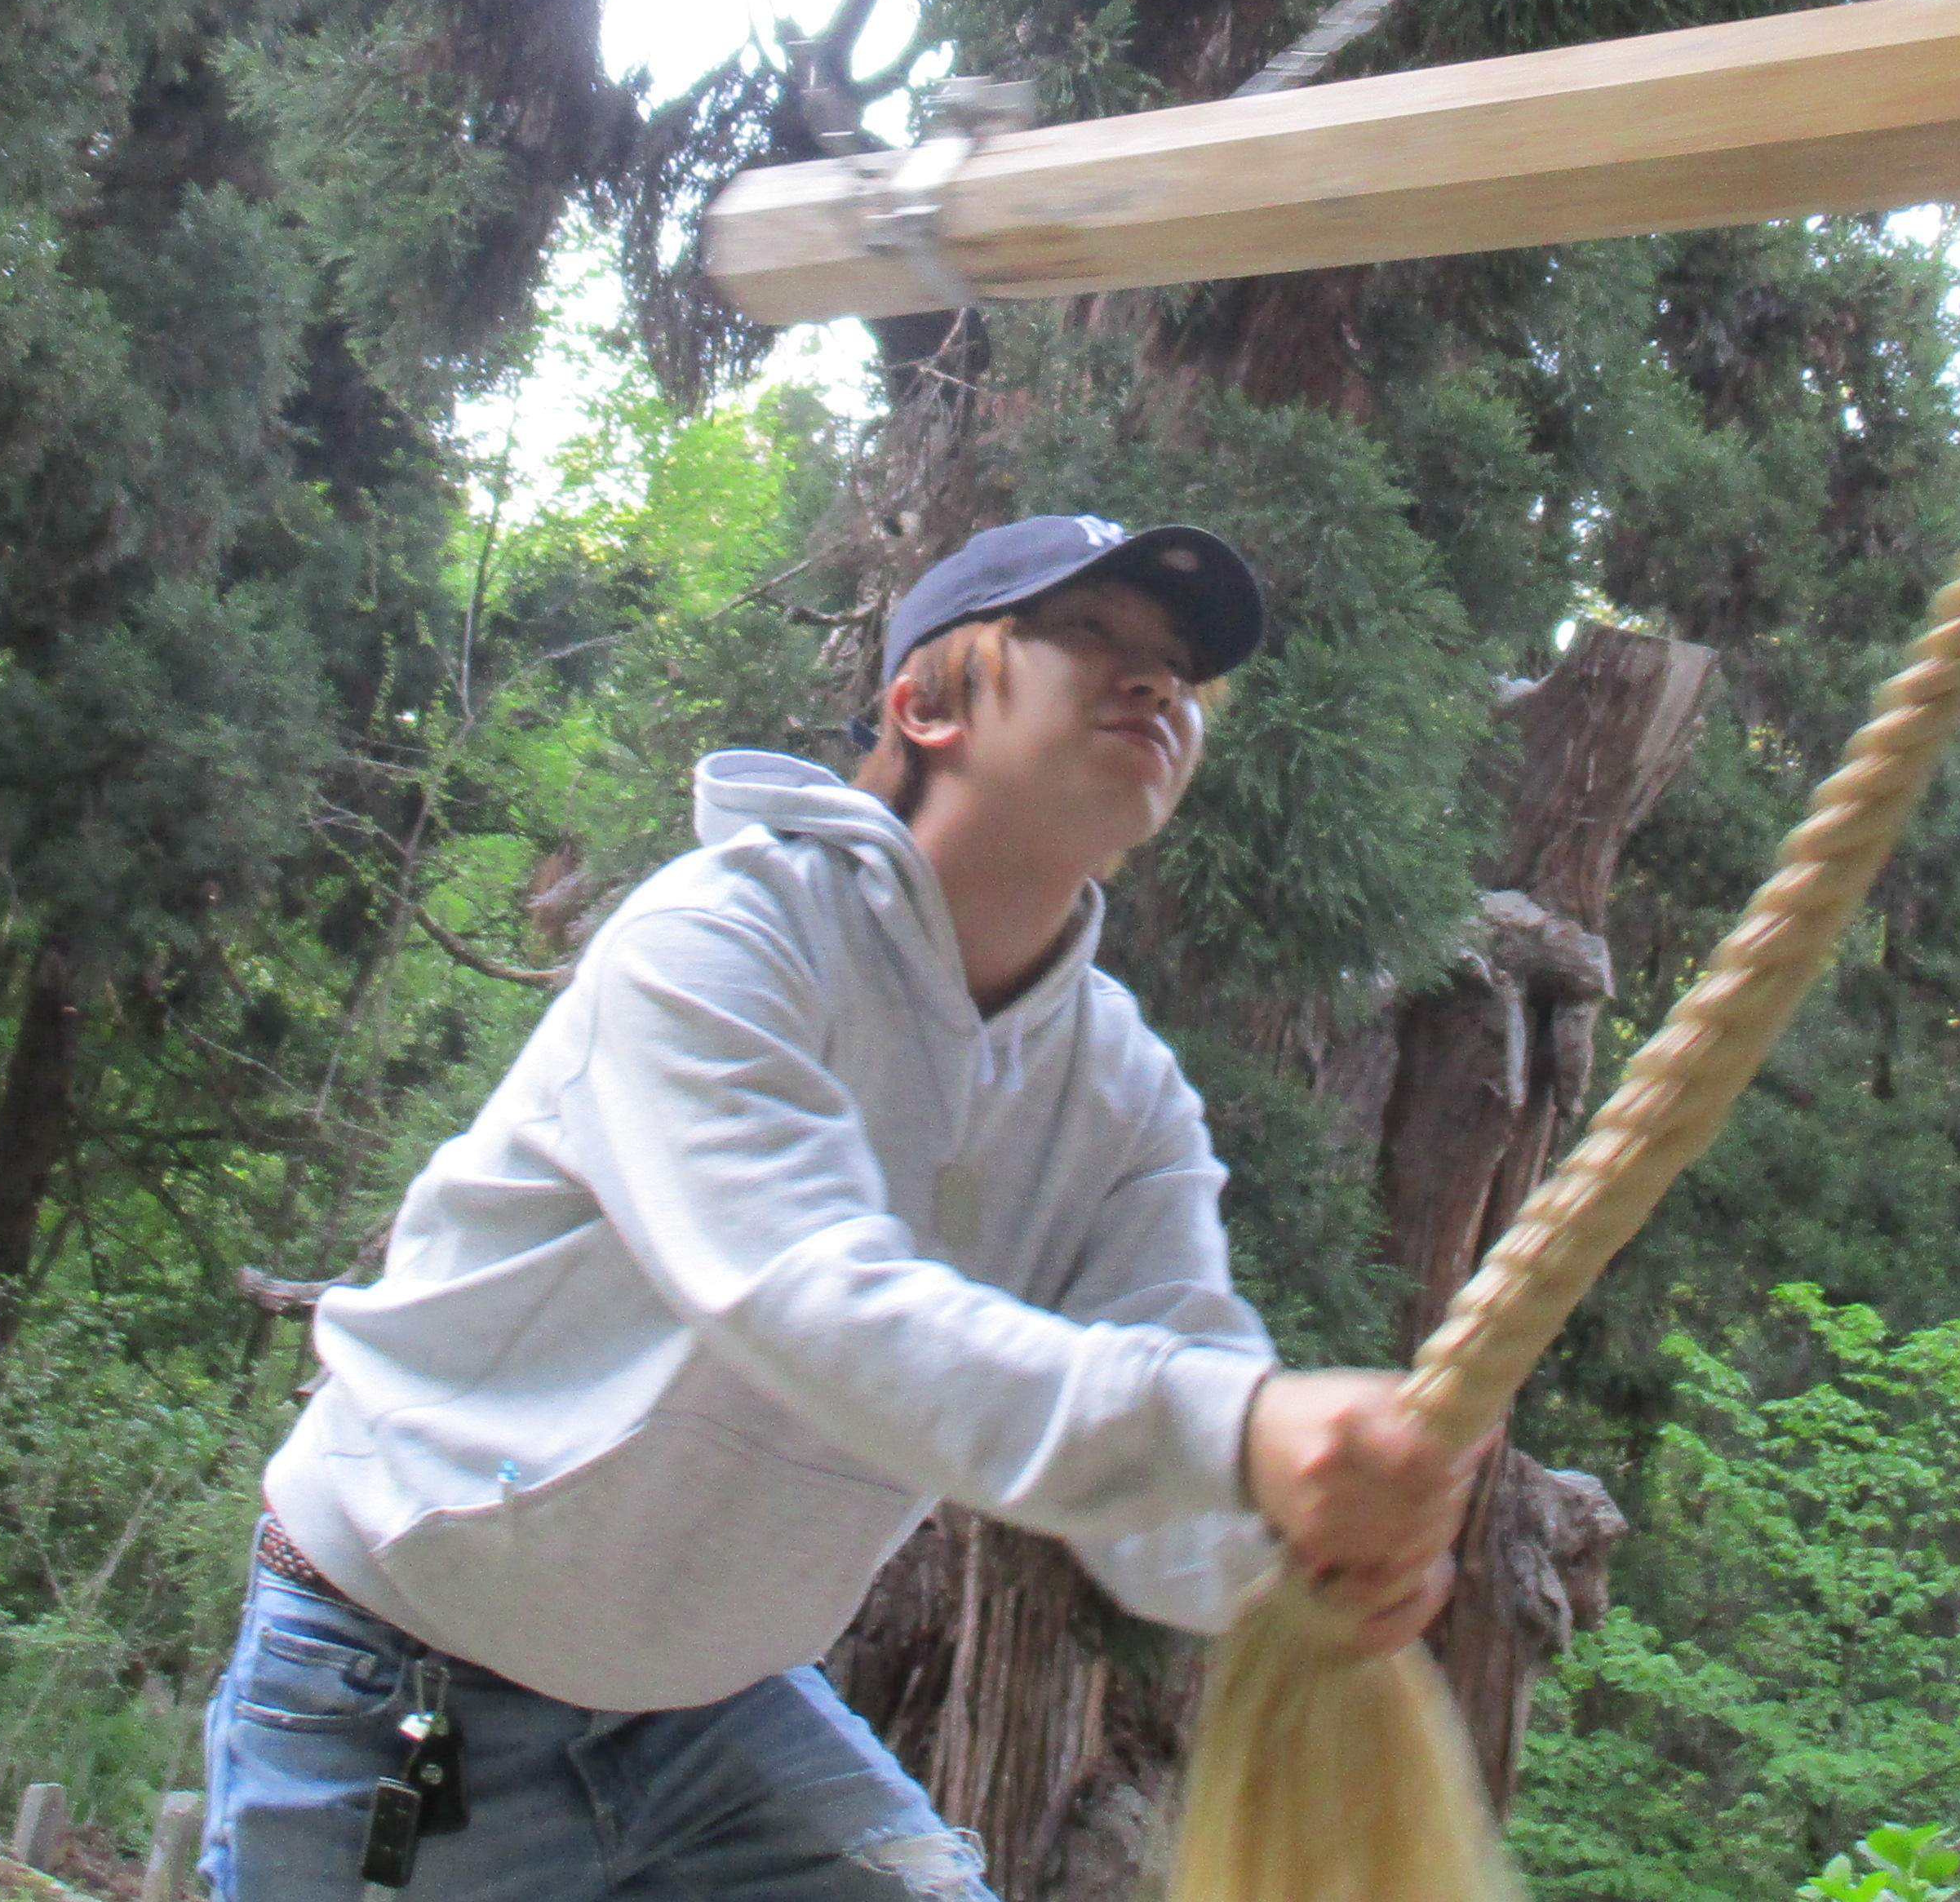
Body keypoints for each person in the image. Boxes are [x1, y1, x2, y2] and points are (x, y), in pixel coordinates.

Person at [201, 512, 1476, 1902]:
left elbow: (1172, 1480)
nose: (1155, 685)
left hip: (710, 1713)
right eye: (1092, 636)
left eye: (1180, 669)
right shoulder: (719, 938)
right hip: (394, 1669)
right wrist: (1240, 1436)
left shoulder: (1124, 1097)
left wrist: (1294, 1550)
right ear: (924, 701)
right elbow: (807, 1296)